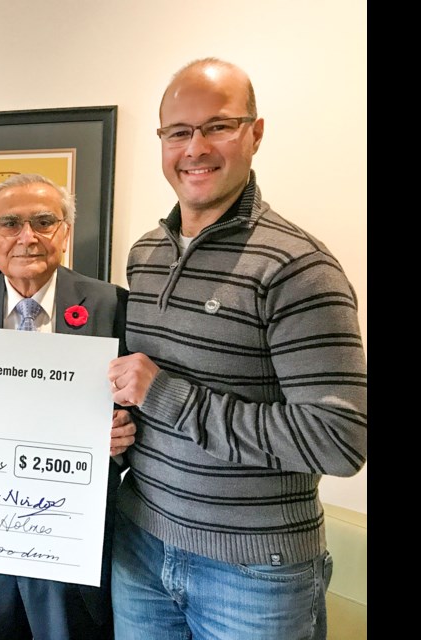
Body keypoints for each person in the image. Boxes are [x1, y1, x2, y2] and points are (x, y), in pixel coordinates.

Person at [107, 58, 368, 640]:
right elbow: (139, 398)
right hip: (140, 545)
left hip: (253, 572)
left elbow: (339, 440)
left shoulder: (299, 268)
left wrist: (168, 396)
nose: (195, 148)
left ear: (255, 133)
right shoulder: (145, 255)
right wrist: (116, 429)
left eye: (217, 126)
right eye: (178, 132)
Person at [0, 173, 136, 640]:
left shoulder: (110, 304)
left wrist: (123, 432)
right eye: (10, 223)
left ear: (64, 231)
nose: (28, 237)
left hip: (70, 537)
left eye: (44, 221)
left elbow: (135, 400)